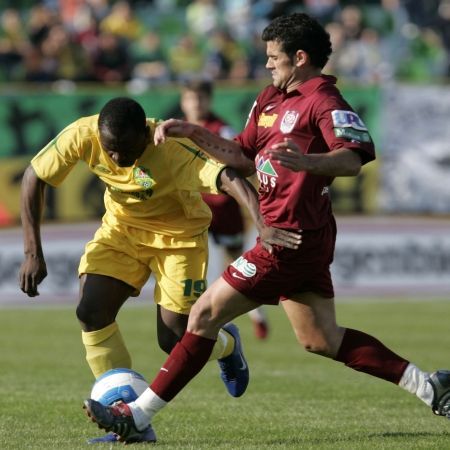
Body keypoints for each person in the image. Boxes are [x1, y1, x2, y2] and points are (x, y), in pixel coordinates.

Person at [84, 13, 450, 443]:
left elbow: (352, 158)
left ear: (300, 57)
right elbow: (239, 155)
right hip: (292, 235)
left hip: (288, 236)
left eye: (274, 58)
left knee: (201, 315)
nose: (268, 65)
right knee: (320, 337)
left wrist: (307, 162)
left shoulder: (324, 101)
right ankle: (431, 387)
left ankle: (138, 415)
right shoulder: (271, 98)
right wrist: (192, 131)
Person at [19, 96, 301, 444]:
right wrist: (33, 251)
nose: (118, 159)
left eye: (126, 149)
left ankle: (227, 344)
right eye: (111, 150)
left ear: (145, 133)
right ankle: (125, 417)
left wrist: (263, 223)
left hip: (178, 239)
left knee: (174, 339)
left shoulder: (170, 146)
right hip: (121, 232)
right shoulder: (84, 133)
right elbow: (34, 176)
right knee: (91, 311)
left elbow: (228, 177)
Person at [179, 78, 270, 340]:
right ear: (183, 101)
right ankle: (204, 319)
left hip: (225, 210)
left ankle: (257, 315)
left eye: (201, 98)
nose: (196, 103)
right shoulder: (176, 131)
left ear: (209, 100)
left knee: (239, 266)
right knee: (203, 267)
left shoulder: (223, 130)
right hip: (195, 212)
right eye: (191, 98)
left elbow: (242, 167)